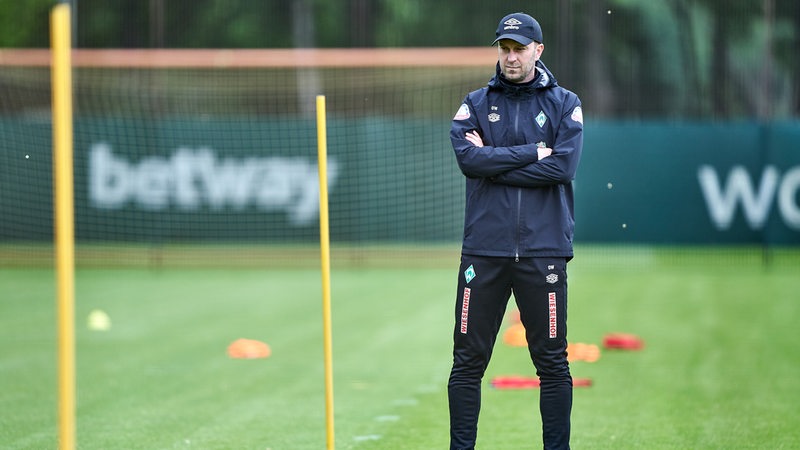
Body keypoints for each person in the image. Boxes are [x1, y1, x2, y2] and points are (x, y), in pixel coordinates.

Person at [447, 11, 583, 450]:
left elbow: (562, 167)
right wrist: (530, 152)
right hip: (483, 252)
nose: (510, 57)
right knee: (467, 364)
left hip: (544, 251)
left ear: (538, 51)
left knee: (552, 364)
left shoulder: (565, 103)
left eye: (519, 49)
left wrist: (496, 164)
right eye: (504, 49)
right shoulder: (474, 102)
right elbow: (469, 161)